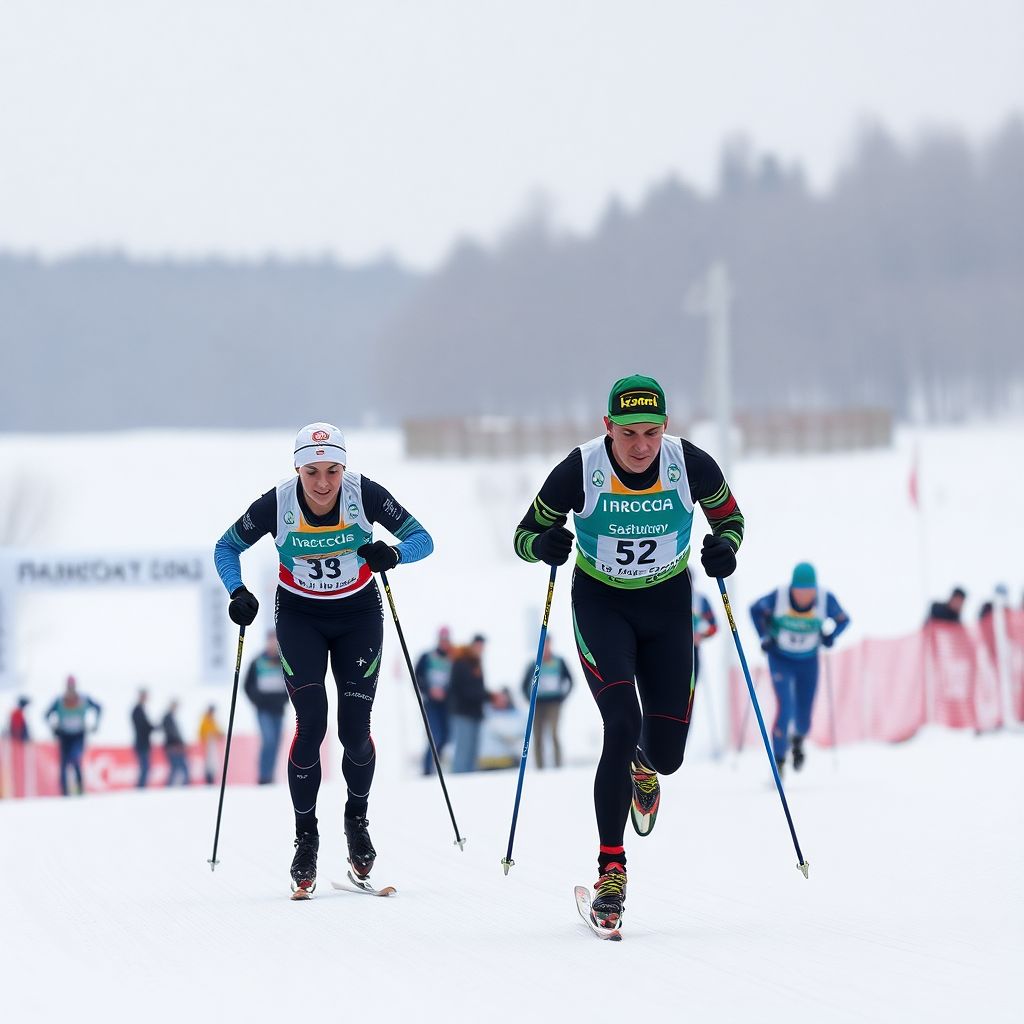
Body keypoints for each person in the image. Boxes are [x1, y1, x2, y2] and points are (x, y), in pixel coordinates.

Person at [513, 374, 744, 932]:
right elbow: (524, 536)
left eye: (652, 432)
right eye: (629, 433)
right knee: (620, 721)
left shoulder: (691, 465)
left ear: (666, 428)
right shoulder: (581, 469)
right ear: (607, 428)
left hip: (667, 608)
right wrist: (543, 545)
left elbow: (731, 520)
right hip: (602, 605)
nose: (641, 446)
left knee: (666, 755)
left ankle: (645, 767)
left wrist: (724, 550)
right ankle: (611, 871)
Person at [213, 422, 433, 898]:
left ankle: (357, 819)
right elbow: (226, 546)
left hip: (357, 615)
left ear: (344, 468)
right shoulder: (277, 503)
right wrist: (237, 592)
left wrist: (391, 554)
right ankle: (306, 837)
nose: (322, 483)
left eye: (333, 470)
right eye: (312, 471)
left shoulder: (364, 494)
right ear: (297, 469)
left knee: (355, 731)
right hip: (300, 616)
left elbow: (423, 539)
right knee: (311, 723)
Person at [750, 562, 850, 775]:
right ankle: (778, 761)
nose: (804, 596)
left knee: (804, 713)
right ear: (792, 587)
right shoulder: (779, 597)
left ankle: (798, 740)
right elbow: (755, 610)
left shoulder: (825, 600)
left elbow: (844, 620)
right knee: (785, 707)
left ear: (815, 589)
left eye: (808, 591)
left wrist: (830, 636)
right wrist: (764, 635)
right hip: (781, 659)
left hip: (808, 661)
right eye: (799, 590)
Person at [243, 630, 289, 784]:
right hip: (263, 709)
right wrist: (257, 700)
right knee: (268, 740)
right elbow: (247, 685)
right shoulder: (257, 661)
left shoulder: (284, 661)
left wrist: (285, 699)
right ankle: (263, 776)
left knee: (276, 742)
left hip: (279, 709)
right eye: (270, 641)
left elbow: (292, 683)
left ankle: (270, 775)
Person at [520, 636, 573, 768]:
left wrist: (562, 697)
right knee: (538, 735)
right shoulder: (534, 664)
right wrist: (530, 700)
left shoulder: (559, 662)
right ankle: (540, 766)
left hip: (554, 703)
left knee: (554, 733)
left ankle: (558, 764)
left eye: (547, 644)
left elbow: (570, 681)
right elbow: (523, 685)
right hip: (538, 704)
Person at [45, 676, 101, 796]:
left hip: (78, 735)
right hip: (64, 736)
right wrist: (53, 728)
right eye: (69, 686)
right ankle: (65, 792)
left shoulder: (83, 699)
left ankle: (80, 790)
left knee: (76, 759)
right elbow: (46, 714)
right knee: (64, 763)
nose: (71, 689)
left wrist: (96, 724)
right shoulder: (60, 700)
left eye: (72, 686)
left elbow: (99, 708)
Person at [414, 626, 453, 775]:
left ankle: (436, 765)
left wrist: (446, 693)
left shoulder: (451, 658)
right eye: (443, 639)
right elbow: (417, 676)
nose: (445, 642)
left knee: (445, 737)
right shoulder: (427, 656)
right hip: (431, 703)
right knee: (434, 735)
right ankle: (426, 770)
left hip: (445, 704)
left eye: (447, 640)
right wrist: (429, 691)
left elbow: (454, 681)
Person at [448, 635, 491, 773]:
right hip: (463, 713)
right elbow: (466, 690)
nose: (480, 649)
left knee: (473, 751)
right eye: (478, 646)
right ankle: (459, 777)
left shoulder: (476, 664)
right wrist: (489, 696)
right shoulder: (461, 663)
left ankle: (471, 778)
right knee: (463, 750)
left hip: (475, 713)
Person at [690, 574, 718, 682]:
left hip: (692, 649)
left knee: (689, 690)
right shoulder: (667, 597)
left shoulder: (700, 599)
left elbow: (713, 627)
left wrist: (700, 635)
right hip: (668, 648)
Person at [130, 689, 158, 788]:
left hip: (144, 743)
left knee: (145, 767)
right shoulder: (137, 710)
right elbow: (142, 726)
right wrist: (152, 727)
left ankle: (141, 787)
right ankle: (140, 788)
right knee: (144, 767)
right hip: (141, 743)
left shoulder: (141, 709)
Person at [162, 700, 190, 786]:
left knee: (177, 768)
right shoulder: (168, 717)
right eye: (175, 706)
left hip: (174, 746)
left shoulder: (171, 717)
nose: (176, 708)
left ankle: (172, 786)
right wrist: (179, 743)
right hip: (173, 747)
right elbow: (171, 733)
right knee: (180, 767)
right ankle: (172, 786)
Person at [198, 704, 224, 785]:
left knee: (213, 763)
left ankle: (211, 779)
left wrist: (219, 734)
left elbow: (217, 730)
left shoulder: (212, 720)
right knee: (208, 763)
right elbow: (202, 732)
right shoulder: (205, 719)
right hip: (207, 745)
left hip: (212, 744)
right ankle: (208, 780)